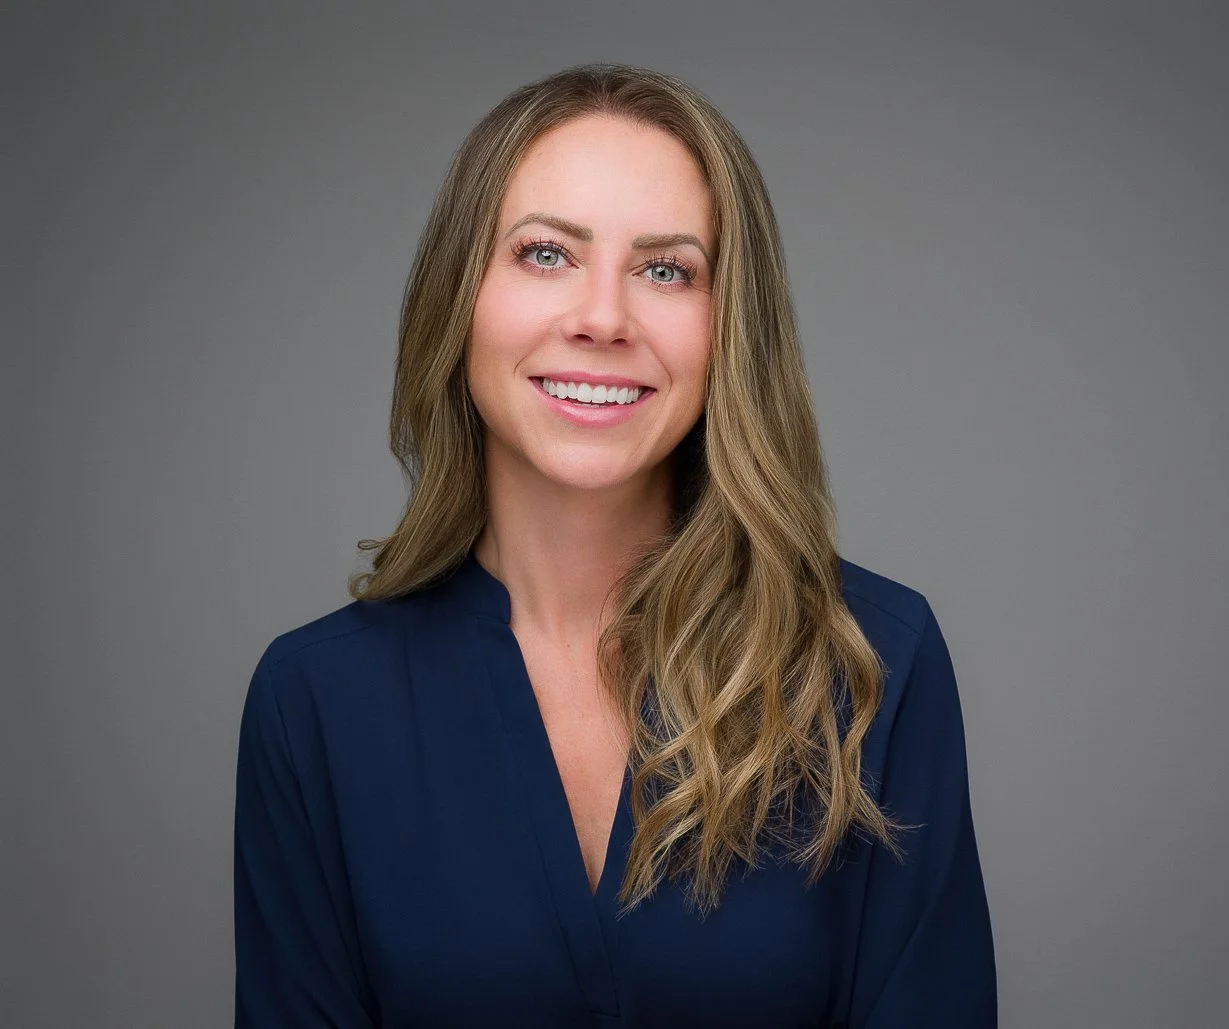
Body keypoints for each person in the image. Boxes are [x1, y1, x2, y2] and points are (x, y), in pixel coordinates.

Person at [233, 62, 996, 1028]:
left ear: (728, 331)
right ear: (458, 298)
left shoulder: (873, 661)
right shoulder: (315, 704)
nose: (602, 318)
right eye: (547, 253)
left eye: (665, 269)